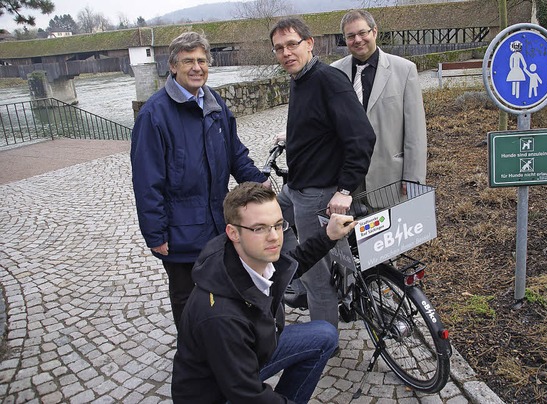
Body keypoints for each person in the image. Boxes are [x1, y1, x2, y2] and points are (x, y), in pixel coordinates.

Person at [130, 31, 269, 328]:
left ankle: (223, 346)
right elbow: (147, 182)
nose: (196, 67)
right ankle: (193, 358)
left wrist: (259, 183)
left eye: (202, 61)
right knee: (187, 298)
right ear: (173, 66)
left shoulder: (214, 104)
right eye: (188, 61)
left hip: (219, 223)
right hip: (181, 230)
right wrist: (156, 234)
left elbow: (235, 154)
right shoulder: (154, 115)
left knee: (224, 290)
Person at [171, 182, 357, 403]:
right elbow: (247, 395)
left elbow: (292, 263)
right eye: (259, 228)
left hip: (252, 353)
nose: (274, 237)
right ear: (233, 232)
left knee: (324, 336)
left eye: (278, 225)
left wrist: (329, 235)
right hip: (217, 393)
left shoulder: (247, 255)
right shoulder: (221, 316)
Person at [269, 17, 376, 328]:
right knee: (275, 219)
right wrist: (292, 138)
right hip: (296, 186)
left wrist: (344, 189)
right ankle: (298, 280)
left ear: (309, 43)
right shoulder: (299, 79)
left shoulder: (328, 80)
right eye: (279, 48)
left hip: (316, 193)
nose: (286, 52)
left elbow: (362, 137)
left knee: (316, 277)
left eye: (292, 44)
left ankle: (324, 342)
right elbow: (321, 124)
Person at [331, 9, 427, 194]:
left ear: (374, 32)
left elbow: (415, 132)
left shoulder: (405, 70)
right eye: (350, 36)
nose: (357, 40)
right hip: (345, 183)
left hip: (391, 179)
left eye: (362, 33)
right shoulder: (334, 73)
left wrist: (413, 177)